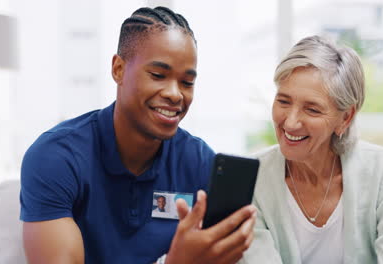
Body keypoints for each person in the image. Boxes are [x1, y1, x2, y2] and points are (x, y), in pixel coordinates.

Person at [20, 6, 256, 264]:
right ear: (118, 69)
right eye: (158, 75)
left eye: (187, 82)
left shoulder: (200, 162)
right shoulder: (56, 157)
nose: (175, 94)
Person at [239, 36, 383, 263]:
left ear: (345, 118)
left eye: (312, 110)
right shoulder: (251, 177)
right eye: (283, 101)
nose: (291, 123)